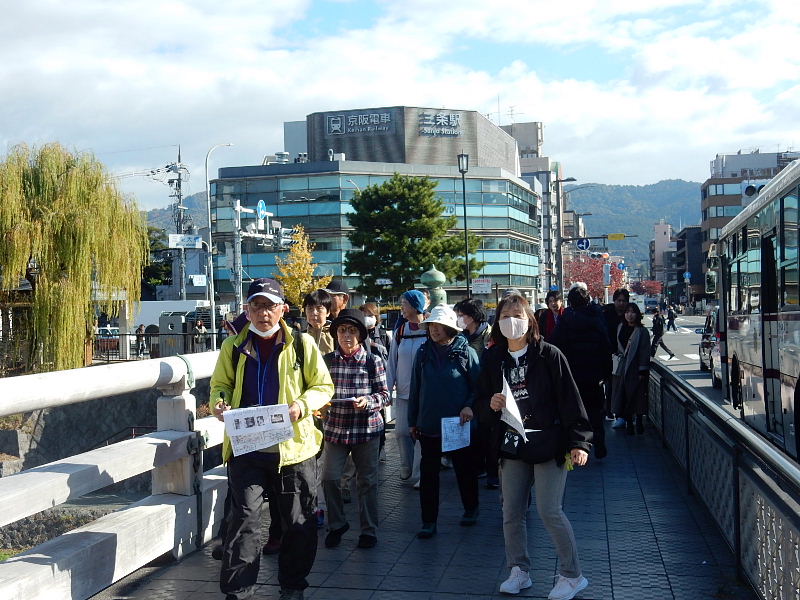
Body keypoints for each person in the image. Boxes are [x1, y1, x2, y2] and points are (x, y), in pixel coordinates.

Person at [210, 278, 334, 600]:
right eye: (257, 305)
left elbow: (323, 386)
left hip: (293, 449)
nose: (263, 313)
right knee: (243, 519)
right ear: (247, 310)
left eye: (270, 306)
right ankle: (238, 591)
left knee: (297, 521)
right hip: (247, 447)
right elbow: (220, 384)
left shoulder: (301, 344)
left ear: (283, 309)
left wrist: (301, 405)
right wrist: (220, 403)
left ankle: (292, 586)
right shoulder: (233, 346)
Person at [478, 293, 592, 599]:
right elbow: (480, 402)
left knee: (549, 510)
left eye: (517, 315)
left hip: (549, 443)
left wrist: (580, 442)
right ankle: (519, 570)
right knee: (511, 511)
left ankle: (572, 575)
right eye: (505, 316)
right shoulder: (493, 358)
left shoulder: (549, 355)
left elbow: (570, 400)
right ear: (497, 321)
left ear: (530, 321)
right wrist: (490, 404)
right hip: (511, 443)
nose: (511, 321)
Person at [408, 305, 481, 538]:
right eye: (431, 325)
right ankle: (428, 521)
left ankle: (471, 508)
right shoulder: (423, 353)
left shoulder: (466, 352)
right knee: (429, 475)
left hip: (457, 424)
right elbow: (415, 389)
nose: (434, 329)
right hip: (429, 423)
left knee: (464, 470)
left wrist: (469, 405)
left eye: (439, 325)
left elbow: (479, 388)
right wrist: (412, 420)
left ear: (450, 328)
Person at [321, 309, 388, 549]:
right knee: (329, 478)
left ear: (360, 335)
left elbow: (385, 395)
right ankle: (337, 524)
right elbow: (317, 391)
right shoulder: (327, 361)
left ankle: (368, 530)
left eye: (352, 331)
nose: (346, 336)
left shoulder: (372, 361)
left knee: (367, 482)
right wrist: (321, 405)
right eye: (342, 331)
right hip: (335, 429)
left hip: (366, 430)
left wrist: (368, 401)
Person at [551, 283, 613, 459]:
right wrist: (606, 373)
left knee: (574, 410)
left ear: (570, 302)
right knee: (595, 410)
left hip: (572, 373)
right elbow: (606, 346)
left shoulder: (566, 319)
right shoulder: (597, 316)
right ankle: (599, 442)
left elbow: (556, 344)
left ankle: (577, 445)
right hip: (594, 373)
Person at [454, 298, 498, 487]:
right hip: (469, 391)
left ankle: (492, 473)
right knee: (475, 433)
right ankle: (478, 467)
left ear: (471, 316)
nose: (458, 319)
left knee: (489, 433)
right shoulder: (461, 337)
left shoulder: (490, 335)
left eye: (461, 315)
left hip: (488, 392)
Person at [386, 290, 428, 486]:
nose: (401, 307)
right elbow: (391, 363)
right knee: (401, 432)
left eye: (405, 303)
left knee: (422, 435)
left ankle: (419, 475)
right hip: (403, 393)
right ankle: (406, 466)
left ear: (415, 306)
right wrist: (388, 389)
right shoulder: (401, 331)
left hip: (425, 394)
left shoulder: (430, 330)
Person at [612, 303, 652, 435]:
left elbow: (645, 351)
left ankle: (639, 422)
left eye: (633, 312)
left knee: (637, 396)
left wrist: (642, 370)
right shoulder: (620, 327)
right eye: (627, 312)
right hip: (622, 368)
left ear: (637, 314)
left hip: (635, 368)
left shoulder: (642, 331)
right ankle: (628, 422)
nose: (630, 315)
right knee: (624, 396)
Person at [603, 289, 629, 424]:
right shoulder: (606, 314)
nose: (621, 303)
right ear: (614, 301)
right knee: (610, 384)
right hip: (609, 354)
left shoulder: (629, 314)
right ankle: (609, 411)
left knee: (622, 385)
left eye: (624, 301)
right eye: (619, 300)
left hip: (625, 356)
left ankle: (621, 413)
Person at [302, 289, 334, 355]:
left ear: (328, 312)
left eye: (319, 308)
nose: (314, 313)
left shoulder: (335, 335)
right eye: (310, 308)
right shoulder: (300, 336)